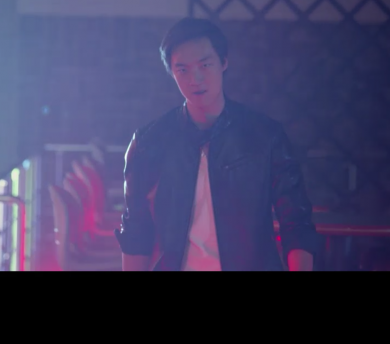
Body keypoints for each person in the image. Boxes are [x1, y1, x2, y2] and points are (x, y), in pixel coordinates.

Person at [114, 17, 318, 271]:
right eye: (183, 70)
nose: (195, 79)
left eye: (205, 65)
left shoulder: (265, 136)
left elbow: (296, 223)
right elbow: (136, 231)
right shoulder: (150, 142)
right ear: (172, 73)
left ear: (223, 62)